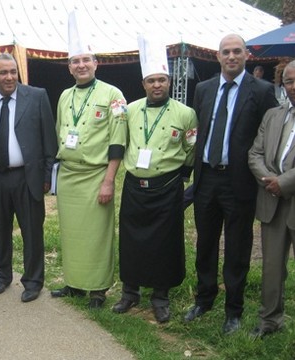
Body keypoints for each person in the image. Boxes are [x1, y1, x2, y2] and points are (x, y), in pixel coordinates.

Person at [185, 34, 278, 334]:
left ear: (247, 55)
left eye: (237, 51)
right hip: (207, 178)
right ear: (218, 57)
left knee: (237, 248)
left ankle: (233, 310)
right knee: (205, 242)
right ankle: (204, 298)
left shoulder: (262, 91)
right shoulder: (203, 88)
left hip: (239, 182)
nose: (231, 56)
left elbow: (270, 134)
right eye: (226, 52)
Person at [113, 34, 198, 323]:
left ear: (170, 81)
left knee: (165, 242)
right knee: (131, 239)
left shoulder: (186, 114)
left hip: (167, 187)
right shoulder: (130, 111)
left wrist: (180, 177)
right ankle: (130, 291)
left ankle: (160, 296)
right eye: (151, 80)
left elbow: (191, 150)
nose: (157, 85)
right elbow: (120, 142)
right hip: (135, 185)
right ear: (144, 84)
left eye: (162, 79)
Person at [51, 12, 128, 309]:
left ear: (96, 63)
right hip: (69, 176)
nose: (81, 65)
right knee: (72, 234)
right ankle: (74, 283)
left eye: (86, 60)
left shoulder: (113, 95)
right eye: (75, 61)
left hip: (97, 175)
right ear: (69, 67)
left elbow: (117, 140)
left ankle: (98, 289)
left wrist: (109, 180)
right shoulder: (64, 96)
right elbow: (61, 132)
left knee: (97, 234)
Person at [0, 53, 57, 302]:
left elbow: (49, 139)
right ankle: (2, 275)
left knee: (32, 231)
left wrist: (47, 176)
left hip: (28, 176)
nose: (10, 77)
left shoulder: (37, 96)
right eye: (3, 73)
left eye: (13, 71)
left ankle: (33, 281)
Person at [248, 60, 295, 339]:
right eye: (289, 81)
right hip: (272, 202)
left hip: (287, 193)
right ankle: (270, 320)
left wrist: (284, 182)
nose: (293, 86)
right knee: (272, 267)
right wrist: (269, 181)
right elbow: (254, 153)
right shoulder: (273, 115)